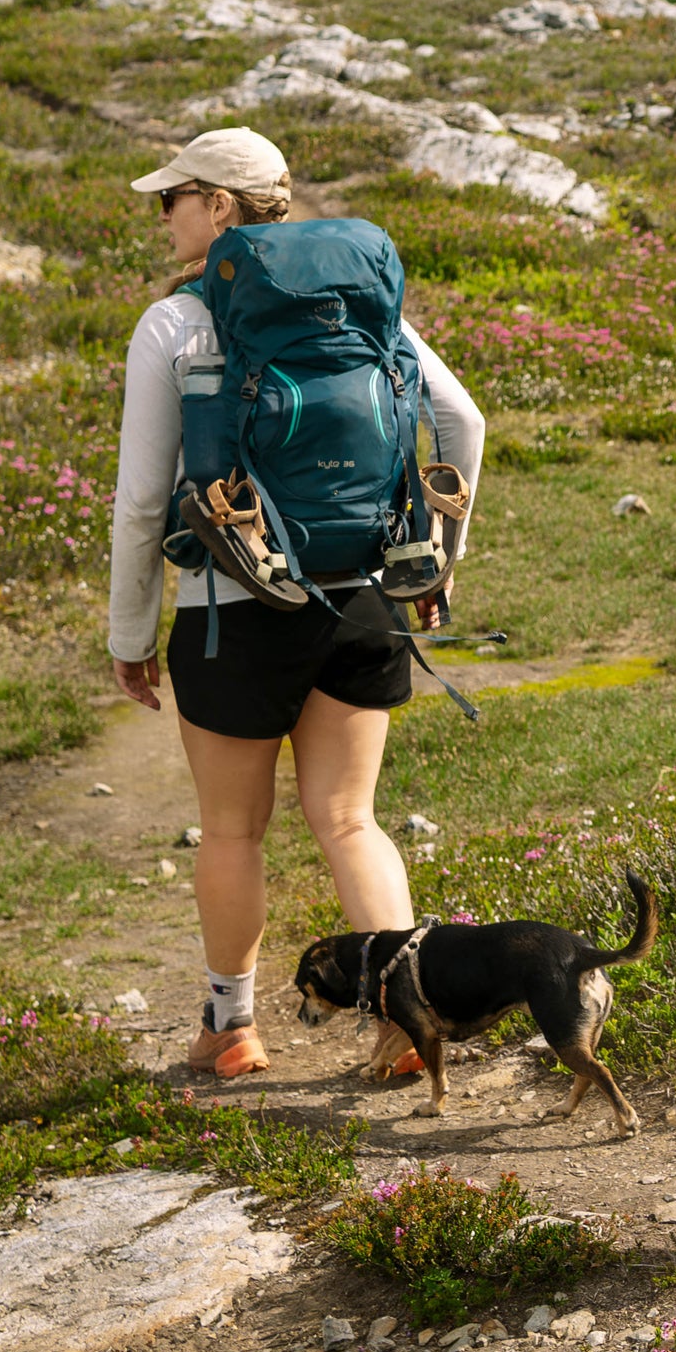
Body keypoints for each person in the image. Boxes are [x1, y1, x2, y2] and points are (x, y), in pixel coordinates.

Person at [104, 127, 487, 1079]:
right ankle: (406, 1017)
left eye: (174, 197)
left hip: (233, 607)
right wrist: (438, 563)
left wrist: (129, 630)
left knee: (234, 830)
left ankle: (231, 1028)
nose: (165, 214)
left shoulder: (178, 324)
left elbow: (145, 500)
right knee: (350, 820)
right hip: (365, 598)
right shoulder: (358, 306)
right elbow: (462, 420)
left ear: (221, 208)